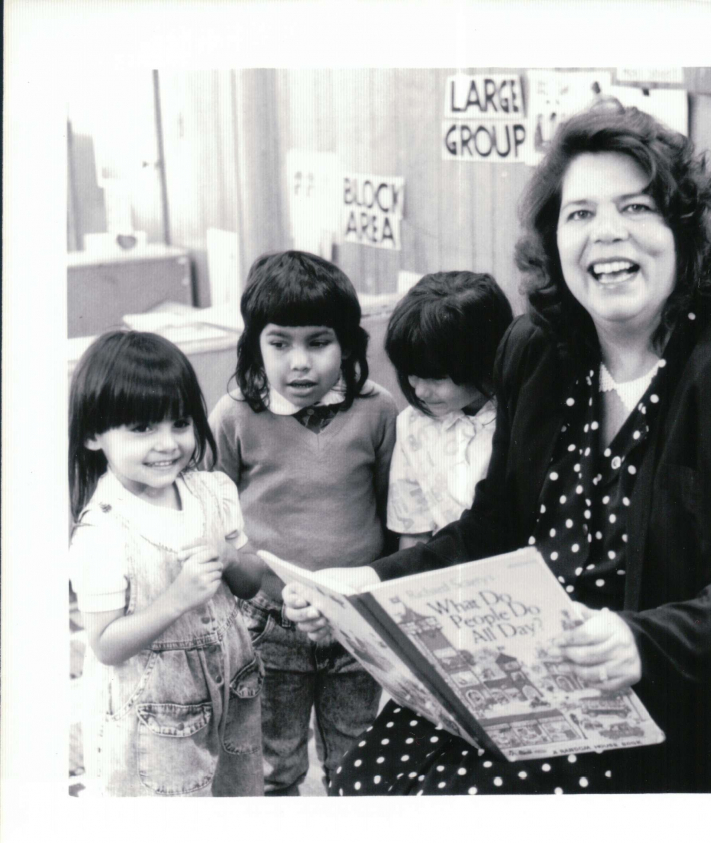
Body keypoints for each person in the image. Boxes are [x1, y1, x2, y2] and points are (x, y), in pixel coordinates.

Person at [286, 104, 711, 794]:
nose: (606, 233)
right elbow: (493, 527)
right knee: (368, 783)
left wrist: (643, 639)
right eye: (579, 214)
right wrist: (370, 585)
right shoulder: (536, 349)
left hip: (672, 717)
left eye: (636, 207)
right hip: (525, 692)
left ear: (685, 231)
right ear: (554, 239)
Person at [209, 251, 397, 795]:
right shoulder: (235, 415)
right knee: (275, 766)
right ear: (254, 345)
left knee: (358, 760)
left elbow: (389, 509)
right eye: (279, 343)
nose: (300, 363)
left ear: (347, 345)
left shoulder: (378, 410)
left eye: (318, 343)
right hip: (268, 623)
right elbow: (216, 521)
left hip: (354, 620)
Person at [68, 331, 265, 796]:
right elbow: (106, 646)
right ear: (95, 435)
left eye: (179, 423)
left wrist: (232, 557)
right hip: (155, 721)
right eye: (141, 429)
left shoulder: (213, 491)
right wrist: (175, 599)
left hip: (233, 696)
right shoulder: (102, 531)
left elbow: (252, 581)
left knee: (238, 805)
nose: (167, 444)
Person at [383, 271, 513, 550]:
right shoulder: (412, 425)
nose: (419, 391)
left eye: (436, 377)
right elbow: (413, 529)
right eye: (411, 374)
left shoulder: (518, 419)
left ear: (485, 358)